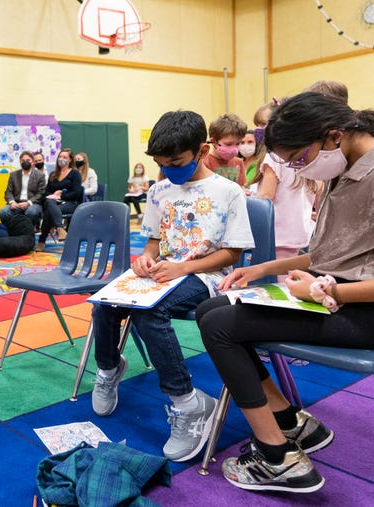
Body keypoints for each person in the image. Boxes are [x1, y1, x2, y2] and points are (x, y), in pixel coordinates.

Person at [195, 93, 374, 493]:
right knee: (210, 309)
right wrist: (264, 267)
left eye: (299, 158)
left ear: (333, 136)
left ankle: (278, 457)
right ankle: (290, 422)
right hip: (337, 294)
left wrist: (325, 292)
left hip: (367, 310)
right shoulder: (343, 168)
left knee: (221, 326)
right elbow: (336, 251)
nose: (299, 168)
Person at [90, 110, 254, 463]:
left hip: (208, 277)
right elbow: (152, 241)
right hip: (164, 273)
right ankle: (108, 368)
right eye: (162, 164)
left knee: (150, 313)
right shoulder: (159, 190)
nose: (168, 170)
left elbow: (233, 253)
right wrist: (145, 260)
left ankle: (187, 402)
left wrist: (184, 267)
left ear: (201, 149)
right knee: (105, 302)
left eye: (176, 161)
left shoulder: (228, 191)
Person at [253, 102, 319, 278]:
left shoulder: (274, 157)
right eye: (257, 125)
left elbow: (265, 198)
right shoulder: (309, 157)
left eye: (264, 125)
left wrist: (248, 200)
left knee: (275, 283)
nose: (260, 130)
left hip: (277, 234)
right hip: (301, 234)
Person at [35, 148, 82, 251]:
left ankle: (42, 241)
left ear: (70, 160)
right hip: (54, 203)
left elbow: (77, 192)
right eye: (60, 157)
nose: (61, 159)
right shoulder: (53, 174)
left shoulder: (75, 173)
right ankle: (60, 228)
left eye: (64, 157)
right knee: (49, 202)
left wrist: (61, 195)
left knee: (49, 211)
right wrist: (53, 195)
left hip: (70, 203)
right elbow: (46, 192)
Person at [0, 150, 45, 229]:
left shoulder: (40, 175)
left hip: (32, 204)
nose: (25, 162)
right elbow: (8, 192)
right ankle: (12, 230)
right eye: (23, 160)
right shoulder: (13, 175)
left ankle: (27, 231)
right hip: (16, 203)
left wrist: (28, 203)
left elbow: (41, 193)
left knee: (31, 212)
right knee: (3, 212)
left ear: (33, 162)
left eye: (28, 160)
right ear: (20, 162)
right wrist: (12, 202)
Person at [203, 113, 247, 186]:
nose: (234, 150)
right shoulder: (204, 163)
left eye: (238, 143)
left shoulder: (239, 162)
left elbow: (241, 188)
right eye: (228, 144)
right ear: (214, 142)